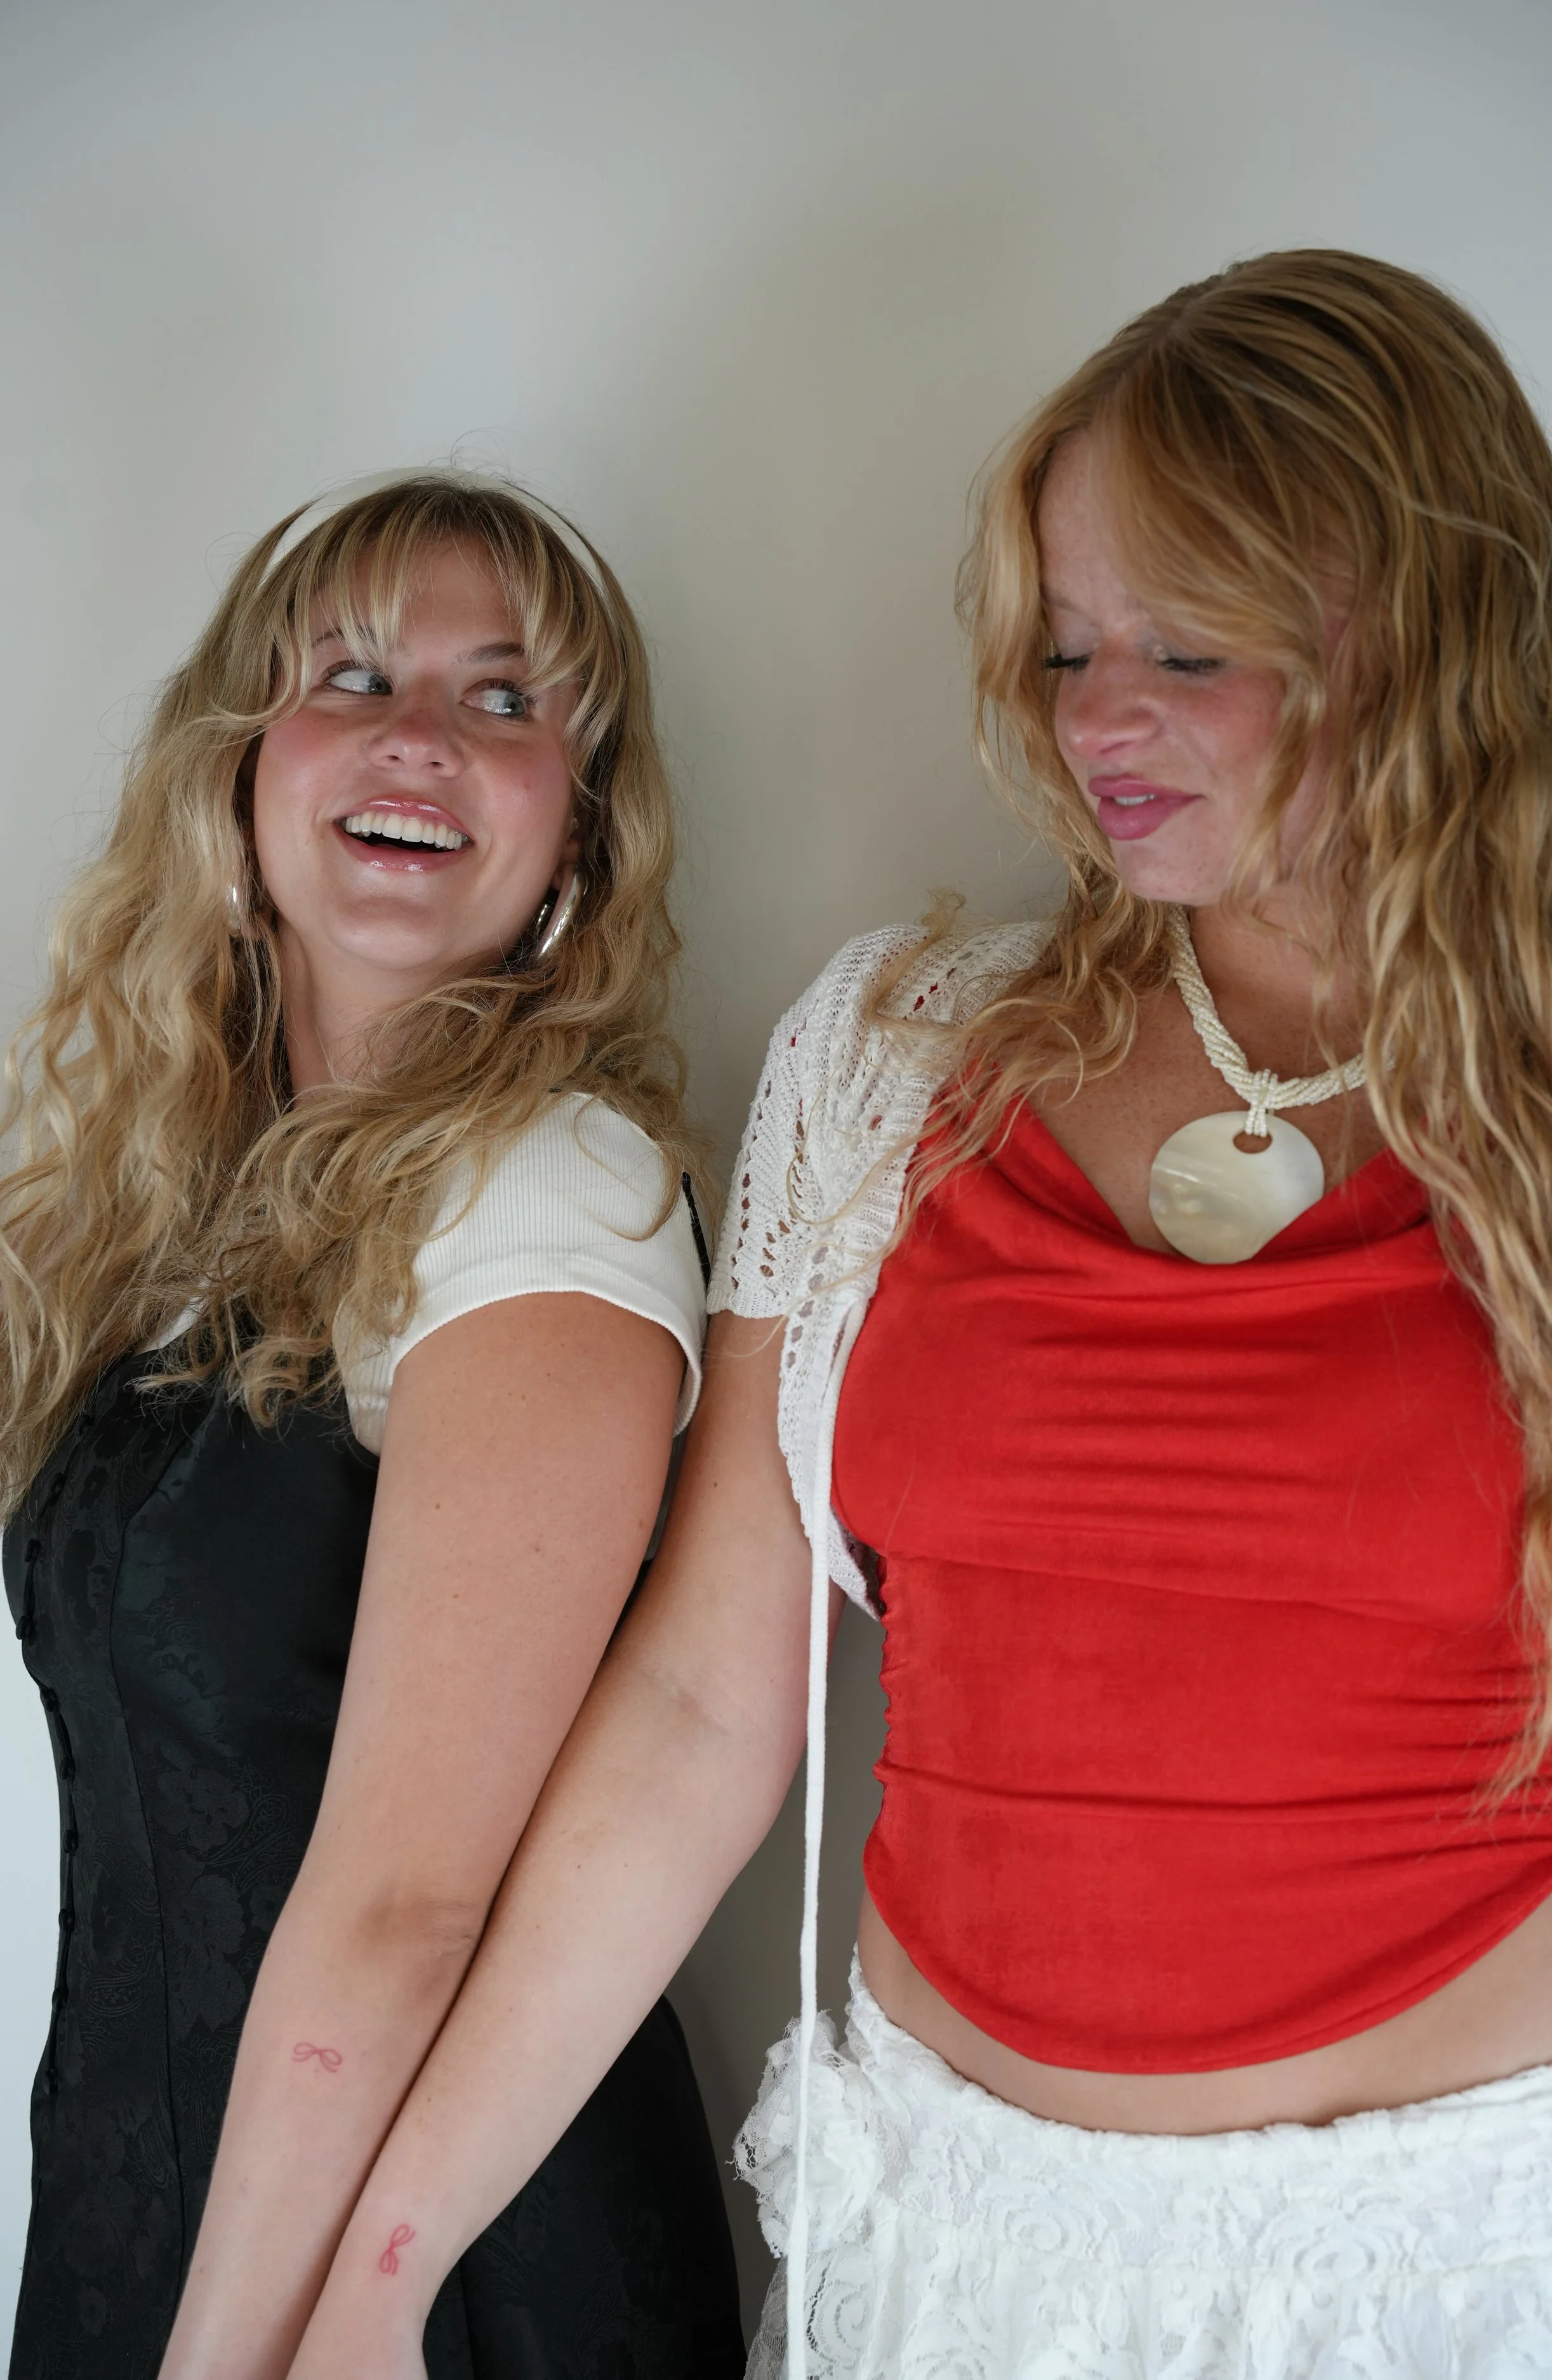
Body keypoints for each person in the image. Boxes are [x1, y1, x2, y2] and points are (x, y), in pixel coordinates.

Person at [290, 251, 1552, 2379]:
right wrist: (381, 2270)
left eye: (1190, 644)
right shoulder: (901, 1057)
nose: (1096, 716)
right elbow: (704, 1710)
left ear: (1428, 641)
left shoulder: (1550, 1103)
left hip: (1449, 2268)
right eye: (1068, 640)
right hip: (946, 2257)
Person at [0, 472, 744, 2380]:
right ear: (239, 774)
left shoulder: (546, 1192)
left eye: (509, 699)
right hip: (165, 2193)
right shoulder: (188, 1203)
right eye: (351, 674)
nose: (421, 732)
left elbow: (415, 1906)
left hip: (417, 2290)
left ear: (576, 836)